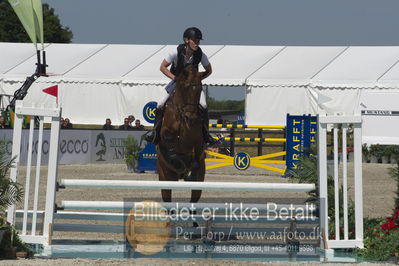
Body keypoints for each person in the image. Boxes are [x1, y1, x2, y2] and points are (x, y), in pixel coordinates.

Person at [145, 27, 218, 146]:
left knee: (204, 105)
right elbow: (162, 67)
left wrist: (196, 80)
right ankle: (155, 133)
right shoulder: (175, 52)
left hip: (192, 85)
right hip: (176, 81)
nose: (197, 43)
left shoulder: (200, 54)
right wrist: (174, 78)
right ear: (186, 40)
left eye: (198, 41)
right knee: (160, 104)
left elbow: (209, 70)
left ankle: (206, 135)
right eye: (194, 40)